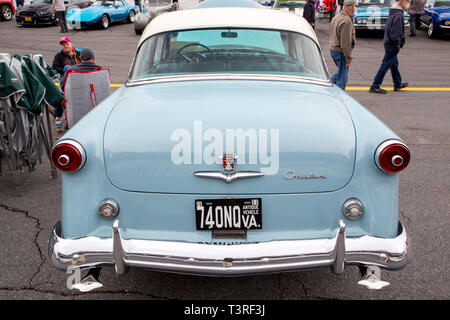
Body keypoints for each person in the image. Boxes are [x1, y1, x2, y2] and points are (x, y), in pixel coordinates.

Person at [369, 0, 410, 94]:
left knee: (394, 65)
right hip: (392, 44)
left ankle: (397, 83)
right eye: (407, 1)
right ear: (402, 2)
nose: (409, 3)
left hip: (389, 42)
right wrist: (398, 42)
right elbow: (395, 33)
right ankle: (375, 86)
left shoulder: (393, 12)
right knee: (385, 65)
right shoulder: (398, 15)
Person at [329, 0, 356, 90]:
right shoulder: (346, 21)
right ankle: (340, 95)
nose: (355, 8)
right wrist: (348, 58)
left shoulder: (336, 17)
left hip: (333, 49)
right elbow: (345, 42)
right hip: (340, 51)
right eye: (354, 6)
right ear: (351, 7)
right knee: (343, 77)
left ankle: (328, 85)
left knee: (341, 72)